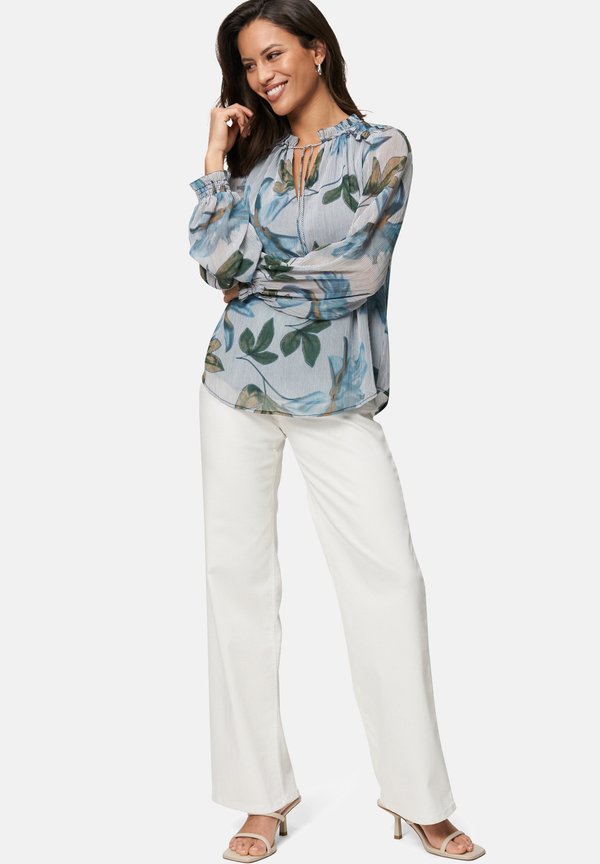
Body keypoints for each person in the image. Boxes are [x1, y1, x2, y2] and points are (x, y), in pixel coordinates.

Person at [187, 1, 486, 860]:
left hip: (335, 393)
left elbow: (354, 275)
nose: (262, 76)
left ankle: (417, 796)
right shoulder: (253, 160)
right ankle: (261, 796)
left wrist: (255, 274)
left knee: (389, 583)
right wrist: (213, 165)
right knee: (237, 583)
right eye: (249, 65)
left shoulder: (382, 148)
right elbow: (213, 263)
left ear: (317, 50)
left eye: (273, 54)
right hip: (234, 386)